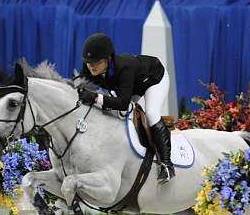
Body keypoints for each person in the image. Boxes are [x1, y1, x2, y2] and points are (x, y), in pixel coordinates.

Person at [74, 33, 175, 183]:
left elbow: (123, 103)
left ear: (108, 59)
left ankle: (167, 165)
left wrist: (95, 97)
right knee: (113, 113)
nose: (91, 67)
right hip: (129, 85)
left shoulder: (124, 68)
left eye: (95, 63)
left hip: (154, 79)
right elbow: (77, 84)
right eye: (88, 63)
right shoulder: (89, 66)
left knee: (152, 114)